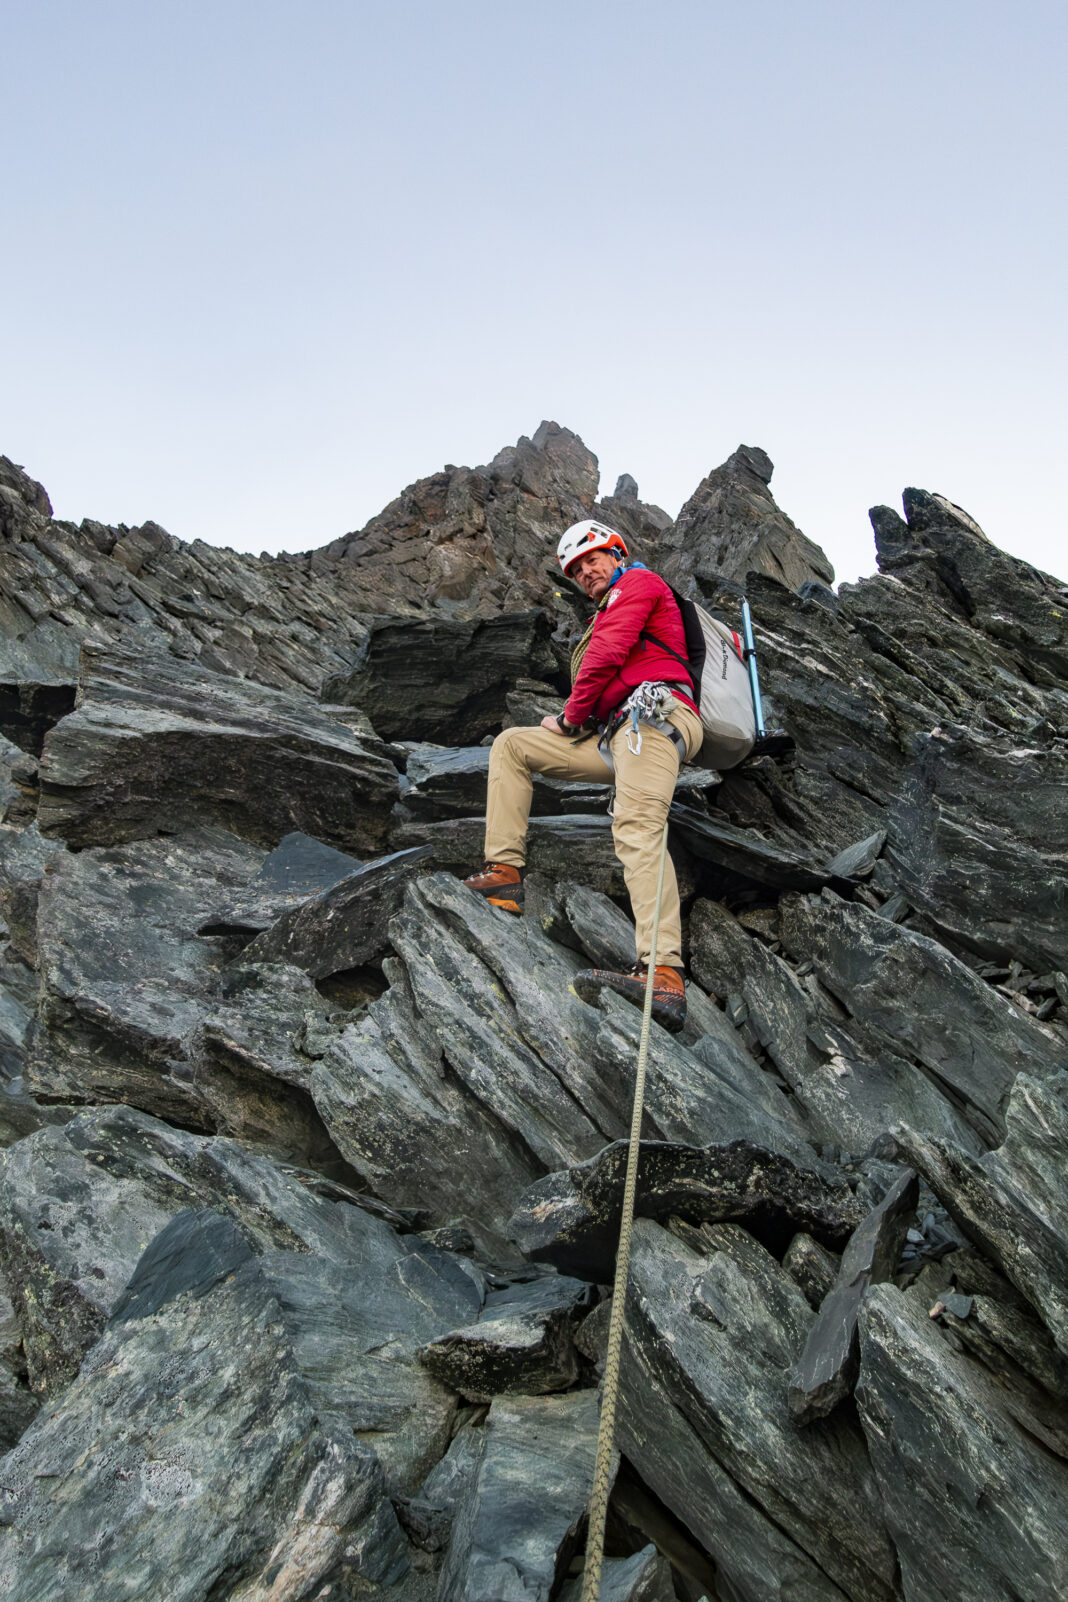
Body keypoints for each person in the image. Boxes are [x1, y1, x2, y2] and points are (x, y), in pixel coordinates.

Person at [462, 518, 703, 1031]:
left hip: (657, 719)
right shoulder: (608, 600)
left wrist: (571, 718)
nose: (586, 571)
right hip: (617, 731)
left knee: (637, 825)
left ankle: (663, 973)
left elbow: (607, 653)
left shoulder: (639, 583)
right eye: (576, 568)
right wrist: (582, 721)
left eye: (594, 559)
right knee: (513, 745)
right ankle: (503, 876)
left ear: (618, 552)